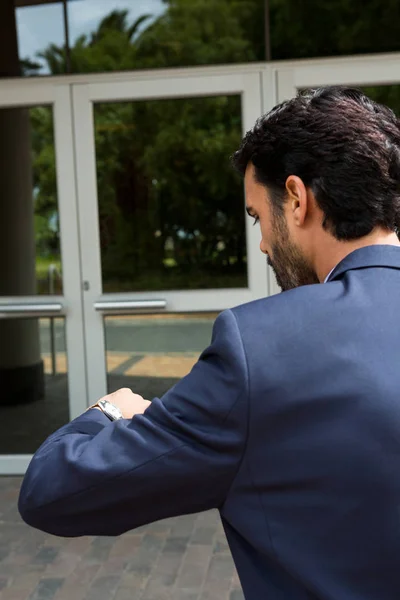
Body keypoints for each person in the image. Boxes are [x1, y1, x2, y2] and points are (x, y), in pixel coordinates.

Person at [19, 86, 400, 600]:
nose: (263, 242)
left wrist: (110, 410)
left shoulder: (261, 350)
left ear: (295, 198)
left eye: (256, 216)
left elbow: (50, 493)